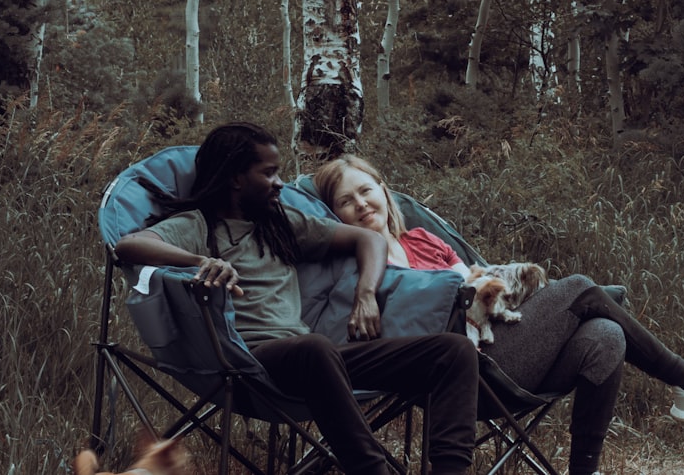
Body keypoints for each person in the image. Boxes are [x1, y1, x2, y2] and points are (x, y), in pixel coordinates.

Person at [314, 155, 684, 475]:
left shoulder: (422, 240)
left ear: (383, 189)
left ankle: (583, 471)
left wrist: (501, 284)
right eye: (345, 201)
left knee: (606, 334)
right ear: (332, 214)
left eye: (366, 190)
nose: (361, 204)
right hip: (461, 372)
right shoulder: (354, 265)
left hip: (505, 346)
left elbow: (479, 283)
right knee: (580, 289)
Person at [115, 123, 478, 475]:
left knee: (454, 351)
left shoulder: (280, 222)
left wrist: (364, 295)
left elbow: (370, 240)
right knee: (314, 348)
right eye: (269, 173)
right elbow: (129, 245)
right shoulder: (198, 226)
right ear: (237, 179)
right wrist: (200, 260)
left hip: (318, 361)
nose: (280, 183)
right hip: (250, 361)